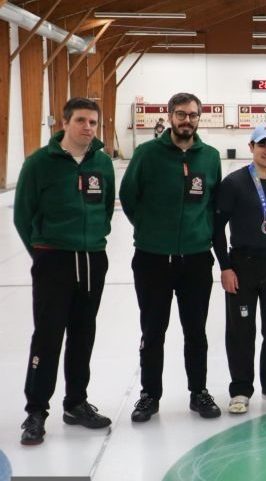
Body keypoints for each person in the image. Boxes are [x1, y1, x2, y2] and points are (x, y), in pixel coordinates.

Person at [13, 97, 115, 445]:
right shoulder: (39, 163)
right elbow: (22, 215)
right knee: (48, 336)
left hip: (91, 260)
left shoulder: (102, 163)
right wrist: (42, 253)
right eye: (82, 121)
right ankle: (35, 412)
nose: (88, 127)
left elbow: (106, 208)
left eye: (93, 122)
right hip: (53, 259)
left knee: (83, 334)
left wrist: (94, 242)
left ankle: (75, 403)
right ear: (65, 124)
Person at [120, 92, 223, 422]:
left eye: (193, 115)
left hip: (195, 258)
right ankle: (149, 394)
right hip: (152, 258)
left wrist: (199, 234)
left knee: (196, 331)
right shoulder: (147, 154)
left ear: (199, 118)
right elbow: (128, 196)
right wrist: (150, 230)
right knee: (153, 331)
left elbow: (212, 203)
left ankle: (199, 392)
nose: (187, 120)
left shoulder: (210, 157)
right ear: (169, 116)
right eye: (181, 114)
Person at [213, 123, 266, 414]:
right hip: (242, 266)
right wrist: (225, 267)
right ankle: (240, 389)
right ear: (251, 147)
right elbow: (216, 227)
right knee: (241, 330)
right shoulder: (234, 182)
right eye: (262, 144)